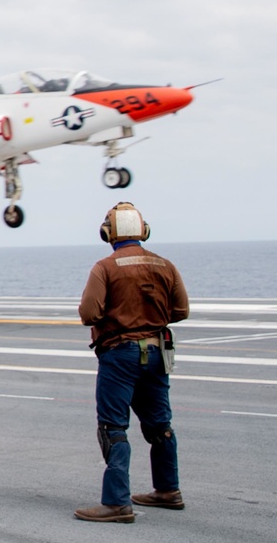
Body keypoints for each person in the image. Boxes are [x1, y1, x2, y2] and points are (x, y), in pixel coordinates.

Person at [73, 202, 189, 524]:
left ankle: (116, 503)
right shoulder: (165, 265)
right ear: (143, 230)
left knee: (113, 426)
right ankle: (168, 490)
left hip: (120, 354)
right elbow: (181, 311)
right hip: (157, 353)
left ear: (107, 233)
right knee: (159, 425)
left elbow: (88, 314)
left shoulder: (105, 267)